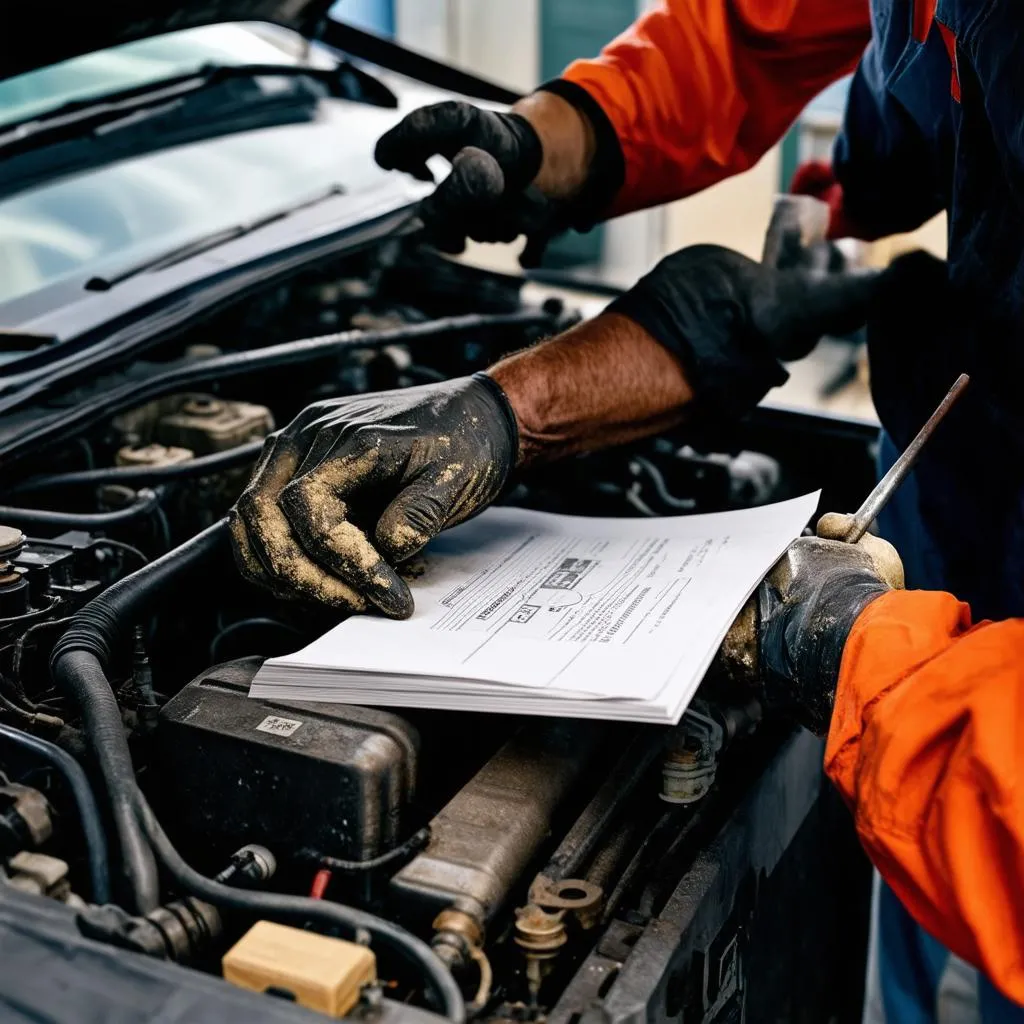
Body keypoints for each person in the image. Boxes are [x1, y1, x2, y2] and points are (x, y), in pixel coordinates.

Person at [230, 1, 1024, 1019]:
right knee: (913, 896)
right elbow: (761, 25)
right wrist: (565, 134)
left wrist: (846, 649)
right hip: (964, 466)